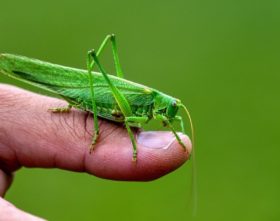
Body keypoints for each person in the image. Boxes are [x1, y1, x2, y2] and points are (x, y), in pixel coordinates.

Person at [0, 84, 191, 220]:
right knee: (124, 116)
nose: (172, 111)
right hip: (109, 101)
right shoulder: (149, 97)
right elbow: (127, 120)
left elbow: (177, 122)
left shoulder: (157, 105)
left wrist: (180, 132)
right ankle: (96, 127)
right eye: (172, 107)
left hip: (113, 102)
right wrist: (135, 149)